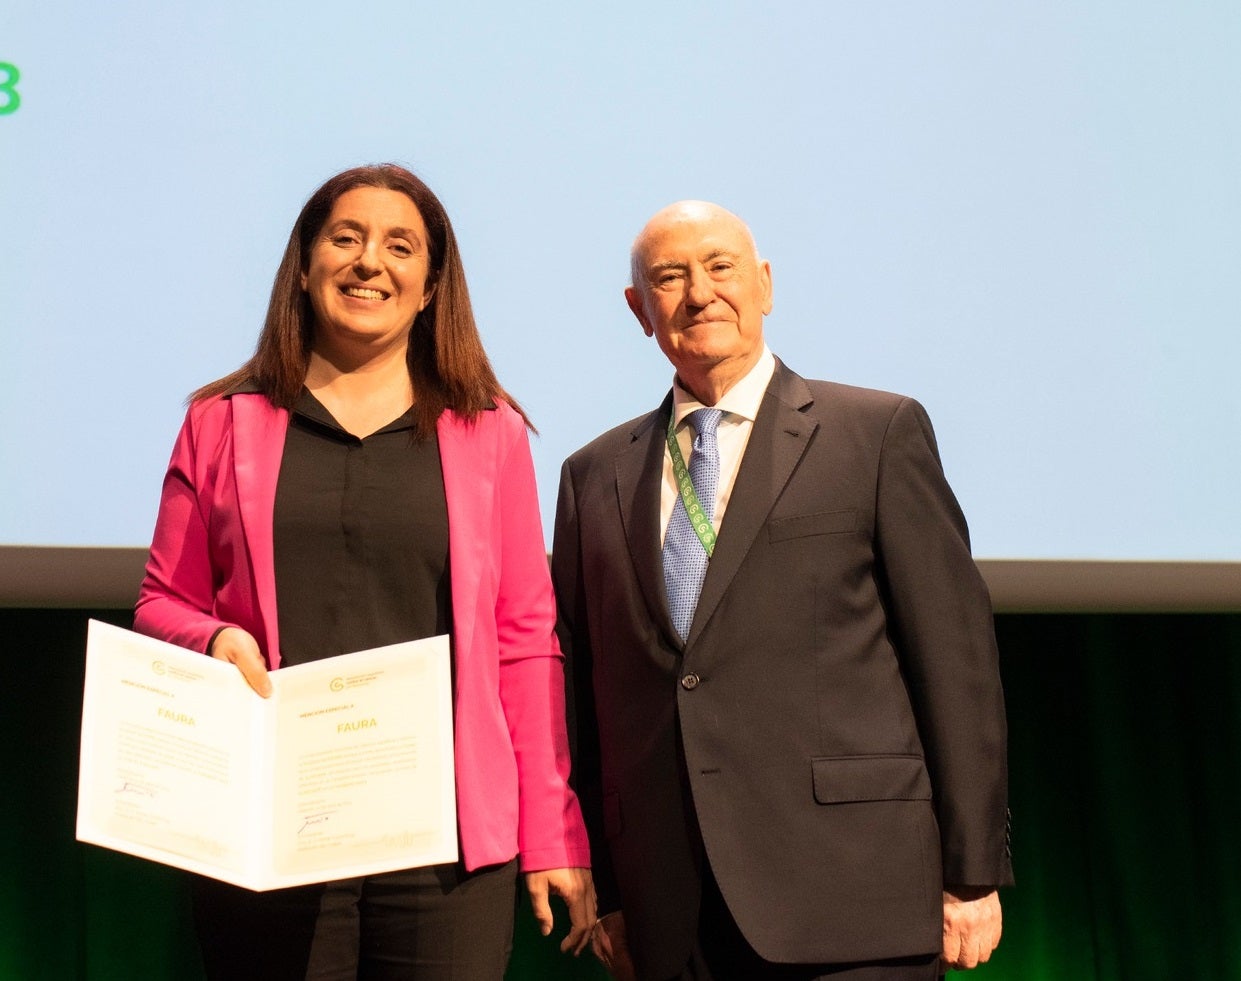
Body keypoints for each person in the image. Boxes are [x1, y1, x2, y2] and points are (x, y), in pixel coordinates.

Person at [134, 164, 595, 980]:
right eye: (344, 239)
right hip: (270, 832)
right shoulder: (220, 421)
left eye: (398, 246)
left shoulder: (487, 431)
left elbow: (524, 639)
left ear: (428, 287)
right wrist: (213, 636)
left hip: (447, 845)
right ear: (305, 268)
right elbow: (162, 601)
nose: (367, 262)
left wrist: (552, 832)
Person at [552, 200, 1011, 981]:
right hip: (672, 911)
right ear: (639, 310)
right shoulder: (591, 474)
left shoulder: (874, 432)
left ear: (764, 284)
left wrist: (970, 873)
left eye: (721, 266)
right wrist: (614, 886)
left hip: (852, 896)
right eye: (669, 276)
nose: (699, 292)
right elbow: (586, 696)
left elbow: (953, 663)